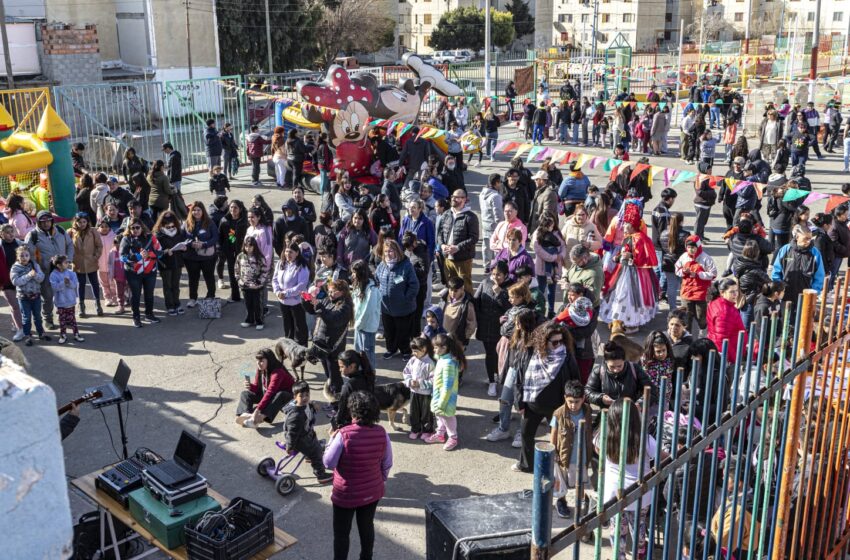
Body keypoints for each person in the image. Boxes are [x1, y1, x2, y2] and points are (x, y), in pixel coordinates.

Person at [323, 390, 392, 560]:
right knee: (367, 527)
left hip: (345, 494)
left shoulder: (343, 434)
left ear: (352, 411)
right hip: (372, 491)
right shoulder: (382, 432)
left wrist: (330, 440)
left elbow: (328, 463)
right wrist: (379, 480)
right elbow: (387, 462)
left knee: (341, 534)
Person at [596, 399, 660, 559]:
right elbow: (664, 457)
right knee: (639, 525)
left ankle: (620, 556)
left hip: (614, 495)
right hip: (641, 493)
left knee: (617, 529)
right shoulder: (645, 439)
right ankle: (639, 555)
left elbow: (598, 450)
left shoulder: (603, 437)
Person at [515, 321, 580, 473]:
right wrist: (520, 404)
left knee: (559, 439)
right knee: (526, 435)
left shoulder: (566, 356)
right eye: (555, 342)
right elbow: (519, 379)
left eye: (561, 341)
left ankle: (555, 467)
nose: (559, 345)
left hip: (557, 407)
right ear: (544, 340)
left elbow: (575, 380)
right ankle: (526, 465)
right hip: (532, 405)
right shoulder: (530, 352)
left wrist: (572, 404)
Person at [599, 202, 658, 333]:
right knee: (628, 295)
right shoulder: (639, 237)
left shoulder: (634, 238)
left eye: (626, 224)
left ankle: (629, 322)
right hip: (635, 272)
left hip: (630, 273)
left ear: (632, 226)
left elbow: (634, 258)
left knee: (627, 296)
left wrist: (621, 258)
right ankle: (628, 321)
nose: (624, 226)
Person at [550, 379, 594, 519]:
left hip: (582, 455)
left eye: (576, 402)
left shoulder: (587, 411)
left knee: (579, 481)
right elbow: (554, 434)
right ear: (565, 398)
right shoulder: (559, 414)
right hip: (564, 456)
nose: (573, 405)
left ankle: (581, 502)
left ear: (583, 399)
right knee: (562, 481)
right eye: (570, 401)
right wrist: (554, 451)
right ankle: (561, 502)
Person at [303, 279, 353, 395]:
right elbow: (313, 310)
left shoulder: (345, 307)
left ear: (342, 292)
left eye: (333, 292)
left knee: (334, 377)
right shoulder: (327, 300)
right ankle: (333, 399)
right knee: (328, 375)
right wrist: (306, 299)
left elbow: (333, 320)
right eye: (329, 291)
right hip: (322, 345)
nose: (330, 294)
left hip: (334, 348)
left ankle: (336, 404)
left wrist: (320, 307)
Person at [26, 211, 74, 330]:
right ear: (38, 222)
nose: (46, 224)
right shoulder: (32, 235)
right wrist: (38, 268)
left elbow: (70, 245)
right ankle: (48, 319)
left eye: (48, 221)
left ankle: (65, 317)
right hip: (45, 270)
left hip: (62, 269)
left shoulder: (61, 231)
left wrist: (68, 260)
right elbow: (29, 255)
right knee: (47, 296)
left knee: (64, 293)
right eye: (43, 222)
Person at [376, 239, 419, 360]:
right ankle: (391, 349)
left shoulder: (406, 265)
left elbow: (414, 285)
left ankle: (406, 351)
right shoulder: (382, 265)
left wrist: (406, 299)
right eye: (386, 251)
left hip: (403, 308)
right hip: (386, 308)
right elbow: (376, 279)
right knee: (389, 331)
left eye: (390, 251)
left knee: (403, 332)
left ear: (397, 251)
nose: (388, 254)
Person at [282, 382, 333, 484]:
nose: (305, 398)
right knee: (317, 452)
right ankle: (321, 475)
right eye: (301, 396)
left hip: (305, 433)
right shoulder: (296, 416)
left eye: (307, 395)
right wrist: (289, 446)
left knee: (315, 443)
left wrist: (312, 404)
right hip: (299, 439)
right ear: (295, 397)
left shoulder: (303, 404)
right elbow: (292, 433)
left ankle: (308, 455)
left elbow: (306, 405)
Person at [585, 341, 657, 410]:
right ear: (606, 362)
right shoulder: (599, 371)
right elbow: (588, 392)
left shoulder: (635, 369)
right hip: (608, 414)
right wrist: (601, 398)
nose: (616, 370)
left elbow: (652, 391)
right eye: (612, 367)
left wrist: (640, 404)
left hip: (631, 413)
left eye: (619, 366)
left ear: (624, 360)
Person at [237, 348, 295, 428]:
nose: (258, 363)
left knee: (280, 394)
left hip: (286, 398)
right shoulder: (260, 369)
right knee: (245, 394)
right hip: (271, 395)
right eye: (257, 361)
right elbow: (257, 388)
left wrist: (257, 410)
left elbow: (270, 392)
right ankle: (246, 414)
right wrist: (251, 387)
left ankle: (258, 419)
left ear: (269, 361)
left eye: (261, 361)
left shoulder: (278, 372)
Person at [426, 333, 465, 451]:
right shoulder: (443, 359)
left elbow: (447, 386)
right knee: (439, 415)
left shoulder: (448, 363)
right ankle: (440, 434)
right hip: (439, 395)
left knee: (448, 417)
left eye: (436, 347)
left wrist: (442, 402)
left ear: (444, 348)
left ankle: (453, 437)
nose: (434, 350)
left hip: (445, 398)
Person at [120, 218, 162, 328]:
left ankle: (149, 314)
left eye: (137, 227)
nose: (135, 230)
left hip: (150, 272)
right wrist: (137, 257)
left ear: (142, 227)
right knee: (135, 295)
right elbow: (122, 257)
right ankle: (136, 317)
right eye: (132, 228)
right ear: (129, 229)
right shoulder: (126, 239)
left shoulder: (151, 238)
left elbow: (160, 252)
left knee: (149, 294)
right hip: (133, 272)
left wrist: (150, 255)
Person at [437, 189, 479, 293]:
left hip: (463, 259)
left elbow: (474, 238)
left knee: (465, 286)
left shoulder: (470, 217)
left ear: (464, 199)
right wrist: (442, 245)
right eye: (452, 196)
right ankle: (453, 305)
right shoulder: (446, 214)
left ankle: (469, 306)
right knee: (451, 285)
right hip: (447, 258)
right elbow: (440, 233)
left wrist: (458, 247)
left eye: (456, 197)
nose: (453, 199)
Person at [675, 235, 717, 336]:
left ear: (698, 247)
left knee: (701, 317)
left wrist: (698, 275)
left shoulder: (706, 258)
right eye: (689, 247)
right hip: (686, 292)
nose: (691, 250)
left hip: (701, 294)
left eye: (693, 247)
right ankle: (686, 337)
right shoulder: (683, 257)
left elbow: (713, 274)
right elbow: (677, 270)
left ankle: (703, 334)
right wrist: (683, 272)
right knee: (686, 317)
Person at [771, 225, 825, 303]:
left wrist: (814, 292)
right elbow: (776, 272)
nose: (808, 241)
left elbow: (819, 275)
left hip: (806, 296)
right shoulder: (785, 250)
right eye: (805, 239)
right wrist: (779, 288)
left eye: (810, 238)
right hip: (786, 295)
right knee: (786, 315)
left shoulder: (815, 253)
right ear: (797, 237)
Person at [182, 202, 219, 307]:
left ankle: (210, 296)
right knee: (193, 278)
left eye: (199, 210)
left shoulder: (210, 222)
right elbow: (181, 237)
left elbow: (215, 237)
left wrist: (204, 244)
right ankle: (193, 298)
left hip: (207, 256)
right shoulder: (186, 223)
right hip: (191, 257)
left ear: (203, 211)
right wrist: (190, 243)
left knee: (209, 276)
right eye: (194, 210)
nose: (196, 212)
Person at [10, 245, 49, 346]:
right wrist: (28, 275)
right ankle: (27, 335)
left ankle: (41, 333)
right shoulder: (15, 268)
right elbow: (15, 281)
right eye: (21, 256)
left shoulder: (34, 265)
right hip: (23, 297)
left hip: (36, 295)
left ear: (29, 256)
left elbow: (41, 278)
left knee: (38, 316)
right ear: (17, 257)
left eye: (26, 255)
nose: (24, 257)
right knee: (26, 317)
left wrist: (35, 274)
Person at [532, 213, 567, 317]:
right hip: (542, 268)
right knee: (541, 291)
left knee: (552, 291)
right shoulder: (538, 233)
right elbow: (538, 250)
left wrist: (561, 255)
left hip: (555, 268)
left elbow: (563, 246)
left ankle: (551, 311)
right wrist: (553, 258)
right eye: (548, 224)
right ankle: (540, 310)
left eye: (552, 223)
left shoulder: (557, 233)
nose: (551, 226)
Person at [69, 212, 103, 318]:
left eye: (84, 221)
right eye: (79, 222)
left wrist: (95, 257)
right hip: (78, 263)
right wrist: (72, 258)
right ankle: (81, 305)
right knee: (81, 284)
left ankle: (98, 304)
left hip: (91, 261)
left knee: (94, 283)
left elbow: (99, 246)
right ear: (75, 222)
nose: (82, 224)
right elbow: (67, 246)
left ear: (87, 222)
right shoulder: (70, 232)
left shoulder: (93, 231)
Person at [152, 211, 187, 316]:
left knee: (176, 285)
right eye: (166, 223)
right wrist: (165, 251)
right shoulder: (158, 234)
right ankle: (170, 306)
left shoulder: (179, 232)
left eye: (171, 222)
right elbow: (156, 251)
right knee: (167, 286)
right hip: (165, 264)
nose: (170, 226)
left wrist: (184, 248)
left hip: (177, 263)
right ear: (162, 223)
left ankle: (177, 304)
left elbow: (183, 244)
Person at [706, 278, 747, 365]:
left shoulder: (718, 303)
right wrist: (735, 359)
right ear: (722, 293)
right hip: (728, 357)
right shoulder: (724, 312)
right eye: (732, 292)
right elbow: (722, 339)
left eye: (736, 291)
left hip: (726, 352)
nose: (735, 294)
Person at [333, 350, 376, 429]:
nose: (340, 370)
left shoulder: (348, 386)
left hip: (353, 424)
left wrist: (337, 422)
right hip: (369, 421)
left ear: (352, 366)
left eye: (342, 367)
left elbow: (342, 409)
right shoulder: (368, 376)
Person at [351, 260, 381, 369]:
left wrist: (359, 324)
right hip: (359, 325)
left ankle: (370, 374)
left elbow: (368, 311)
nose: (352, 275)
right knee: (358, 350)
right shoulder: (359, 285)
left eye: (354, 272)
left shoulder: (372, 290)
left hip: (367, 327)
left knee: (368, 353)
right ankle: (361, 372)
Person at [403, 336, 435, 440]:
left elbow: (433, 380)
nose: (414, 353)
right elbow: (406, 372)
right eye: (413, 351)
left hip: (425, 394)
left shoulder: (430, 363)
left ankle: (427, 430)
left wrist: (420, 383)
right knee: (414, 412)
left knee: (426, 413)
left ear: (424, 349)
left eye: (416, 351)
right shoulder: (412, 360)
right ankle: (415, 429)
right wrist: (409, 381)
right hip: (413, 392)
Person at [49, 255, 83, 345]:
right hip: (60, 303)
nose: (68, 263)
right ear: (59, 265)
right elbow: (55, 288)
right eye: (65, 262)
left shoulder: (71, 273)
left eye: (68, 262)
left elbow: (74, 285)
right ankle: (63, 335)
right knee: (62, 320)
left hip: (70, 301)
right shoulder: (53, 275)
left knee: (72, 319)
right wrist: (63, 282)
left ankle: (76, 333)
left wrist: (69, 282)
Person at [236, 236, 268, 330]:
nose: (248, 248)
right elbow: (236, 270)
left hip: (256, 286)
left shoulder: (260, 258)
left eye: (250, 246)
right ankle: (249, 320)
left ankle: (259, 321)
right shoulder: (240, 256)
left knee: (257, 305)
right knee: (248, 304)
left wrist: (259, 282)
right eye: (246, 246)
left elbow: (265, 271)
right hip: (245, 285)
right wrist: (239, 280)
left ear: (254, 246)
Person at [658, 212, 688, 308]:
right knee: (684, 286)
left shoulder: (663, 233)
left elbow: (661, 248)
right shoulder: (686, 235)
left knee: (671, 286)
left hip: (668, 263)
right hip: (682, 264)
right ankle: (685, 307)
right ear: (681, 222)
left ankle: (672, 309)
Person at [0, 225, 23, 340]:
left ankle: (16, 323)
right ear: (1, 234)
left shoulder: (20, 243)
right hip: (6, 282)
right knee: (15, 306)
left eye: (12, 231)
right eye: (7, 232)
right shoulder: (0, 246)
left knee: (20, 306)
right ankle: (20, 330)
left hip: (21, 280)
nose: (10, 234)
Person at [479, 173, 503, 265]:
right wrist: (501, 225)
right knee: (497, 245)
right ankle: (497, 265)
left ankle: (487, 264)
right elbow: (498, 213)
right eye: (500, 182)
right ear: (496, 183)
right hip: (494, 224)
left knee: (486, 244)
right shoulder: (495, 196)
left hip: (485, 223)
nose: (501, 184)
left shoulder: (482, 193)